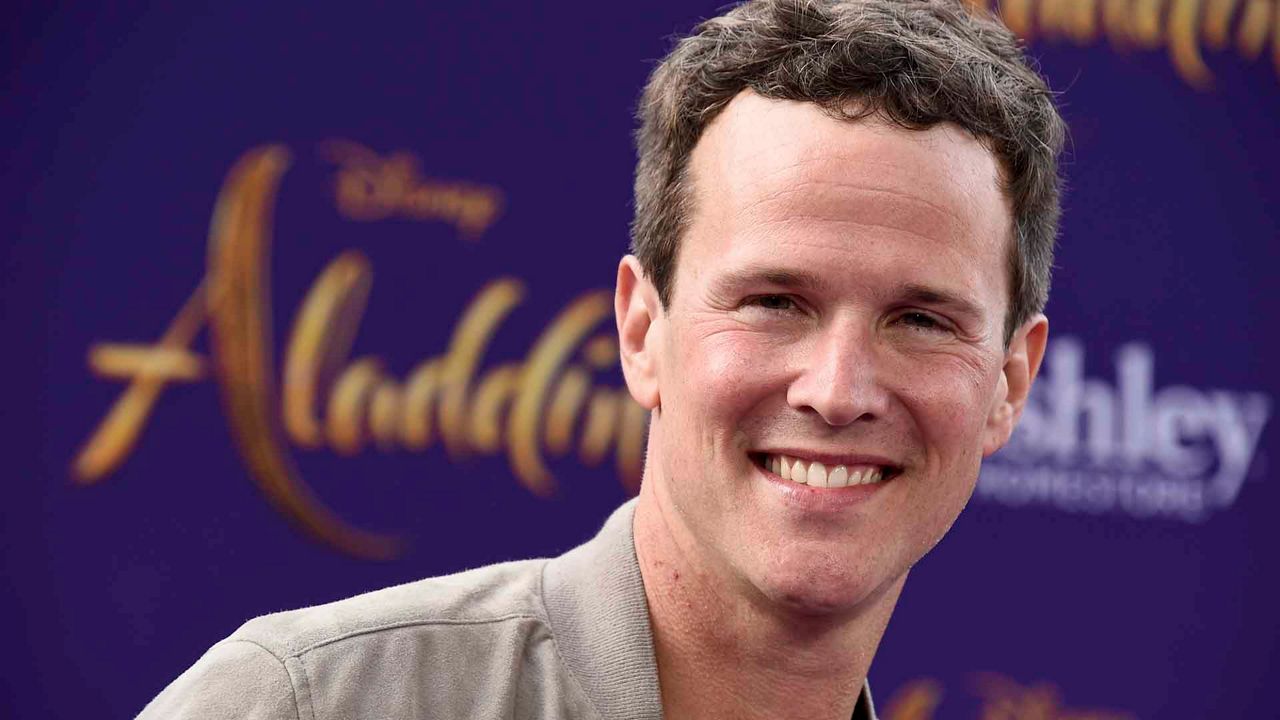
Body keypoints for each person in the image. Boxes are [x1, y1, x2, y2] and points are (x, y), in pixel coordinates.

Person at [139, 1, 1064, 718]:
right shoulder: (305, 704)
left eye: (922, 321)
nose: (837, 390)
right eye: (774, 303)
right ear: (640, 332)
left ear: (1009, 385)